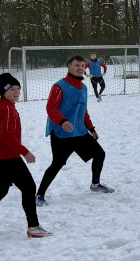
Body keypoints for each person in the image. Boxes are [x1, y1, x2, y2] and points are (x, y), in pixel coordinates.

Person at [0, 73, 51, 238]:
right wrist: (24, 151)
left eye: (18, 88)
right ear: (3, 91)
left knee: (0, 190)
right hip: (9, 157)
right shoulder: (6, 109)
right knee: (29, 187)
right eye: (11, 89)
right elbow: (7, 136)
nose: (16, 92)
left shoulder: (2, 107)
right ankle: (33, 227)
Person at [36, 55, 115, 204]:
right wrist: (62, 121)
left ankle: (95, 184)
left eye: (81, 65)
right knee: (57, 164)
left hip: (79, 132)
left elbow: (83, 111)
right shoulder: (59, 86)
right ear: (69, 67)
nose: (80, 68)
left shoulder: (83, 87)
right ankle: (39, 195)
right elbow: (51, 108)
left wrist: (91, 128)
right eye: (76, 65)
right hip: (61, 133)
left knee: (99, 154)